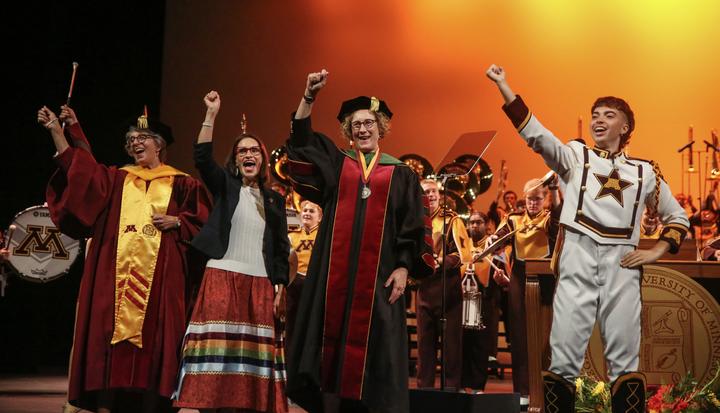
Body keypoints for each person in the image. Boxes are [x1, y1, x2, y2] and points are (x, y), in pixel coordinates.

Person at [486, 64, 690, 413]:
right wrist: (504, 86)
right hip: (577, 259)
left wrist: (653, 252)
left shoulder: (644, 172)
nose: (598, 120)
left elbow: (678, 217)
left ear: (625, 127)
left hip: (622, 266)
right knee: (563, 357)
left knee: (624, 362)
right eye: (595, 114)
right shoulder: (574, 156)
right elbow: (535, 133)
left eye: (609, 116)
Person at [39, 104, 211, 413]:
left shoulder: (184, 183)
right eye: (130, 139)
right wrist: (59, 132)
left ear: (159, 144)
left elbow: (205, 225)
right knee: (108, 340)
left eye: (142, 137)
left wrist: (178, 223)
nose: (134, 142)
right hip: (113, 275)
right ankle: (105, 405)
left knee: (157, 342)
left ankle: (152, 405)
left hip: (162, 279)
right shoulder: (117, 179)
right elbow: (82, 173)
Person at [284, 70, 434, 413]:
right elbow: (302, 140)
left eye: (368, 123)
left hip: (379, 279)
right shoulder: (338, 164)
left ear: (380, 127)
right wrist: (308, 95)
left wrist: (403, 268)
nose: (363, 129)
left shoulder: (401, 174)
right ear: (348, 133)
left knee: (378, 352)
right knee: (328, 347)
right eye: (356, 125)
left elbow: (412, 227)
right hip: (332, 278)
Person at [173, 91, 290, 412]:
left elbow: (281, 248)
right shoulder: (226, 186)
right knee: (219, 352)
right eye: (242, 151)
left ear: (263, 159)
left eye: (254, 150)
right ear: (235, 160)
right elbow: (201, 157)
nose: (249, 155)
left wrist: (280, 286)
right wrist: (210, 114)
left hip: (261, 284)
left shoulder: (275, 201)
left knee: (250, 360)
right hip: (222, 277)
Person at [487, 177, 561, 407]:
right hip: (520, 277)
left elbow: (558, 216)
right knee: (519, 337)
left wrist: (555, 190)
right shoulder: (513, 219)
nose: (533, 203)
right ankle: (522, 392)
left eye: (537, 199)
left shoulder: (549, 218)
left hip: (546, 278)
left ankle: (547, 389)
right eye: (529, 199)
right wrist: (492, 240)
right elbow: (497, 239)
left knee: (546, 335)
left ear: (544, 199)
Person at [414, 179, 472, 390]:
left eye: (432, 191)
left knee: (451, 349)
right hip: (424, 290)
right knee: (424, 348)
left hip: (449, 290)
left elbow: (463, 254)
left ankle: (451, 393)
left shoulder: (452, 220)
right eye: (425, 192)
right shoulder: (414, 219)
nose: (429, 195)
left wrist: (440, 262)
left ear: (439, 194)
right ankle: (424, 393)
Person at [460, 211, 503, 394]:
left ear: (486, 225)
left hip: (485, 298)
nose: (474, 226)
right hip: (463, 298)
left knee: (480, 346)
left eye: (478, 222)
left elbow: (503, 270)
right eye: (471, 222)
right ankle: (462, 385)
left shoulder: (493, 245)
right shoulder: (463, 244)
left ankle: (478, 386)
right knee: (463, 344)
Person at [286, 199, 322, 359]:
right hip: (294, 285)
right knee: (292, 325)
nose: (307, 213)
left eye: (311, 211)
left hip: (315, 285)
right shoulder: (291, 235)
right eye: (305, 211)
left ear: (320, 217)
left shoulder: (324, 237)